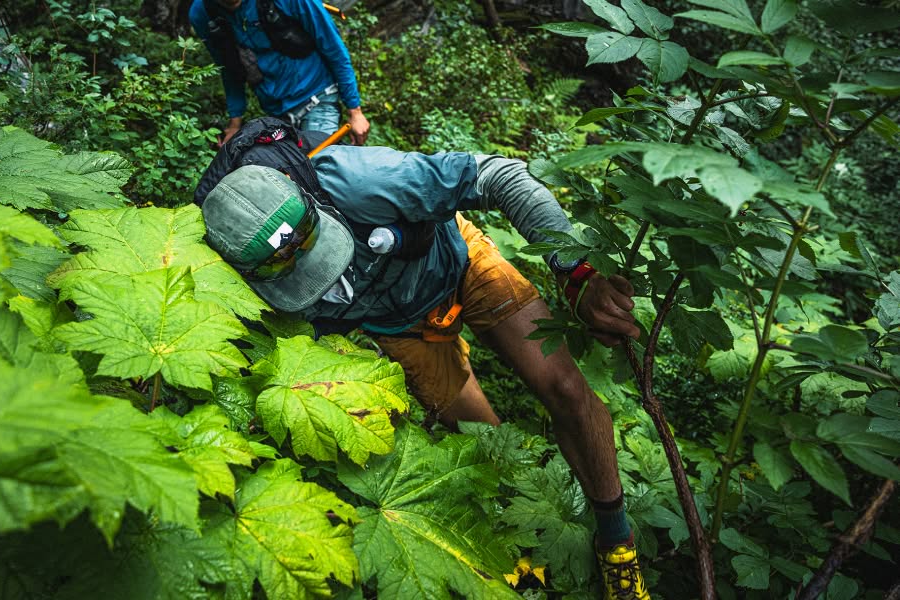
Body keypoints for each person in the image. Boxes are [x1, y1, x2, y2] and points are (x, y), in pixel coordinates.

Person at [198, 137, 650, 600]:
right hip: (399, 328)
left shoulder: (360, 180)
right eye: (284, 270)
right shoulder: (233, 275)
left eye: (313, 240)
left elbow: (499, 174)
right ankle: (517, 537)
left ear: (302, 193)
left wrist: (574, 272)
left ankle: (617, 542)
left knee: (567, 389)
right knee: (485, 441)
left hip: (460, 261)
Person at [189, 0, 370, 146]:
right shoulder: (203, 13)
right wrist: (235, 122)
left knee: (318, 169)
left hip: (317, 96)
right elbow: (228, 66)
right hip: (275, 113)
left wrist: (355, 111)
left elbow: (334, 48)